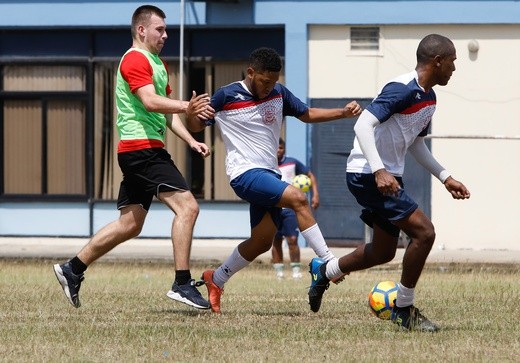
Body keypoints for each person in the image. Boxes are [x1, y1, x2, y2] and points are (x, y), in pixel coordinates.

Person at [53, 5, 214, 310]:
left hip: (141, 150)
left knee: (130, 224)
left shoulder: (156, 62)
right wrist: (187, 106)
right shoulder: (136, 59)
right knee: (188, 208)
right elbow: (151, 101)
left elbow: (165, 112)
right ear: (142, 30)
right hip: (142, 150)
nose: (165, 35)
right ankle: (182, 283)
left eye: (166, 30)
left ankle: (72, 269)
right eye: (160, 29)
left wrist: (192, 140)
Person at [308, 34, 471, 331]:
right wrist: (379, 170)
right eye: (452, 62)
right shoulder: (401, 88)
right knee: (424, 233)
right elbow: (362, 124)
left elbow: (416, 144)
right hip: (367, 174)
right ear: (437, 61)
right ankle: (404, 309)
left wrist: (445, 177)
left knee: (383, 251)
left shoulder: (429, 98)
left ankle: (325, 271)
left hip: (386, 176)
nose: (454, 69)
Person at [186, 47, 362, 313]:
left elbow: (306, 113)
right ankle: (327, 262)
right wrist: (190, 114)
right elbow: (197, 126)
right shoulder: (226, 94)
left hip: (269, 174)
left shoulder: (279, 93)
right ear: (250, 72)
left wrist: (343, 113)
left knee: (262, 241)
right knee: (298, 198)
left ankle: (216, 279)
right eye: (264, 82)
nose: (269, 87)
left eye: (273, 82)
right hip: (243, 173)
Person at [271, 138, 319, 279]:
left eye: (280, 148)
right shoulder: (268, 164)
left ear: (284, 148)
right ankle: (279, 272)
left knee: (292, 239)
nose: (278, 151)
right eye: (276, 148)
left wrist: (315, 195)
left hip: (290, 208)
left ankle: (296, 271)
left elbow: (310, 175)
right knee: (276, 239)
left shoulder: (292, 162)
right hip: (273, 207)